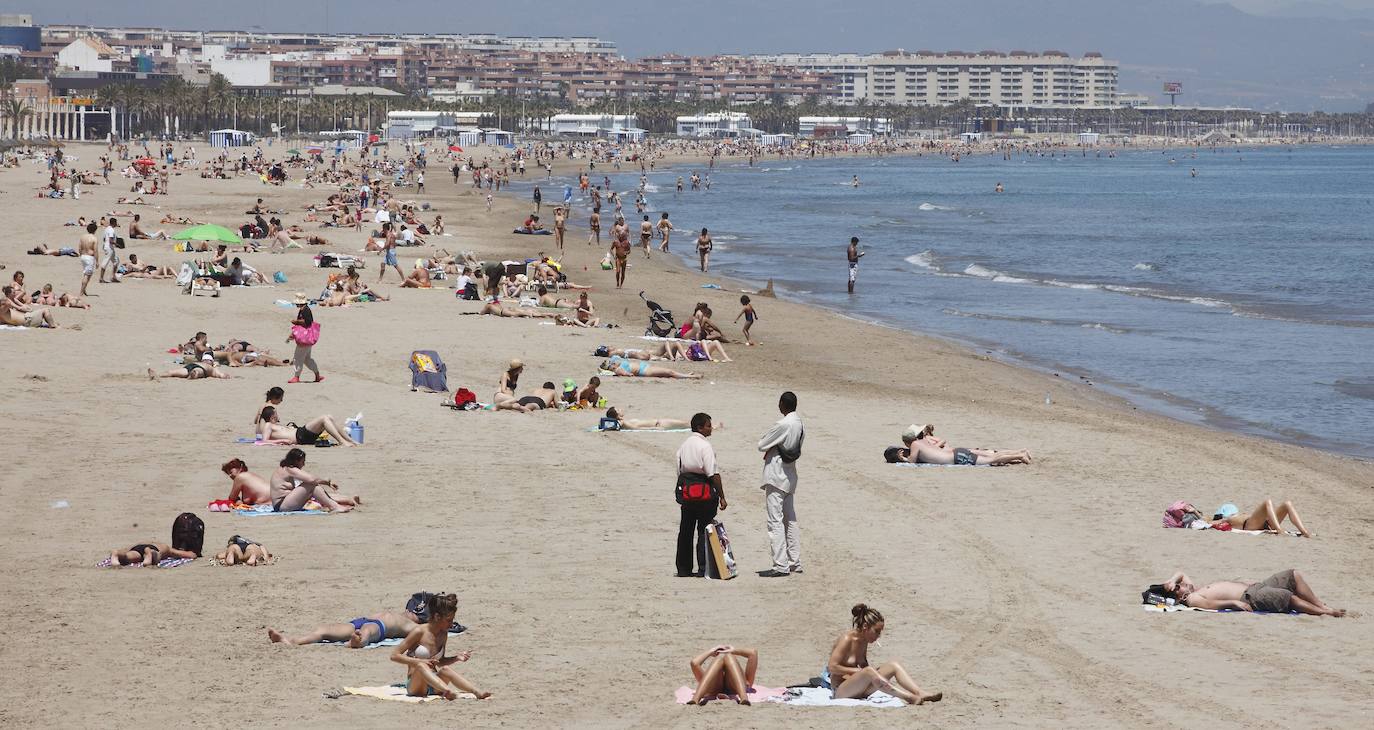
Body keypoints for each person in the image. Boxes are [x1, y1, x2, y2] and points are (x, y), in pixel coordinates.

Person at [826, 604, 942, 704]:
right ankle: (908, 697)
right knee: (869, 671)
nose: (878, 636)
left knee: (893, 665)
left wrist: (877, 677)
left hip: (858, 688)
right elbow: (832, 667)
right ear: (865, 627)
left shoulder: (863, 640)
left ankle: (919, 692)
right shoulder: (846, 639)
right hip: (841, 690)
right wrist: (858, 672)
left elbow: (863, 665)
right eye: (876, 631)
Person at [391, 593, 491, 700]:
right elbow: (394, 656)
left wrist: (456, 658)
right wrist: (419, 662)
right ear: (437, 616)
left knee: (446, 670)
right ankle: (447, 691)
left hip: (434, 683)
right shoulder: (419, 632)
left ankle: (476, 692)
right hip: (417, 685)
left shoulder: (443, 634)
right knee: (421, 666)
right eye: (448, 620)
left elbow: (441, 661)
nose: (452, 624)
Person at [1156, 570, 1345, 616]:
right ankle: (1326, 613)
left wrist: (1172, 581)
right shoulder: (1193, 598)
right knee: (1289, 598)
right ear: (1180, 596)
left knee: (1293, 575)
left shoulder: (1190, 589)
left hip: (1256, 587)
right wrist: (1233, 603)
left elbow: (1181, 573)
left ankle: (1321, 605)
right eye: (1179, 587)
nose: (1183, 584)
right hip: (1251, 597)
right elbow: (1213, 606)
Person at [675, 413, 728, 577]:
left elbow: (679, 470)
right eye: (708, 425)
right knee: (705, 529)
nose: (710, 428)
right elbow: (713, 473)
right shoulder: (705, 446)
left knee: (685, 530)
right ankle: (704, 568)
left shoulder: (684, 445)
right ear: (699, 427)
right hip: (704, 491)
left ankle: (683, 569)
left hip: (687, 491)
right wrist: (722, 496)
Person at [757, 391, 803, 578]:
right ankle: (794, 561)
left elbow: (761, 444)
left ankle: (780, 564)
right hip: (790, 475)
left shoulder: (783, 424)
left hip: (776, 475)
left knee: (775, 521)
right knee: (790, 520)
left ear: (783, 404)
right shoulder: (800, 424)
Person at [270, 605, 426, 648]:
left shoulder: (412, 625)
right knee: (325, 630)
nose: (410, 612)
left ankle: (356, 642)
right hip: (360, 621)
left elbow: (425, 632)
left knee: (366, 632)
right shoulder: (404, 615)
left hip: (379, 626)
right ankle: (291, 640)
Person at [898, 424, 1031, 466]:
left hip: (957, 457)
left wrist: (902, 458)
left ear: (907, 442)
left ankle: (1020, 455)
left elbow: (912, 461)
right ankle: (1019, 453)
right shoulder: (925, 440)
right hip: (957, 452)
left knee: (991, 460)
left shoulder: (915, 444)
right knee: (992, 455)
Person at [268, 448, 355, 512]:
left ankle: (334, 505)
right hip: (282, 506)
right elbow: (312, 479)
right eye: (302, 462)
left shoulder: (287, 469)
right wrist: (327, 482)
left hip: (286, 503)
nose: (304, 464)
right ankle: (334, 507)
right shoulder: (289, 469)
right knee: (311, 484)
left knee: (314, 486)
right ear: (296, 461)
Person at [689, 645, 759, 705]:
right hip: (719, 688)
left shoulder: (746, 681)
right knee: (720, 658)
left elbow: (753, 653)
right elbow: (694, 663)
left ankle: (696, 698)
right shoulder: (708, 678)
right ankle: (743, 696)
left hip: (727, 688)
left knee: (728, 656)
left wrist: (732, 651)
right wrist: (711, 651)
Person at [256, 406, 359, 446]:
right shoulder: (268, 425)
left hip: (301, 434)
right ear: (272, 415)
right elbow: (264, 441)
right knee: (324, 418)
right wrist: (281, 441)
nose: (278, 415)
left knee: (329, 417)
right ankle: (342, 442)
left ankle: (349, 440)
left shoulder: (276, 425)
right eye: (276, 413)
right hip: (300, 436)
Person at [1210, 500, 1312, 537]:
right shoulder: (1226, 519)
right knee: (1268, 502)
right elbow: (1209, 522)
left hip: (1265, 523)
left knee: (1287, 504)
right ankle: (1279, 530)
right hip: (1249, 525)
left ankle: (1304, 531)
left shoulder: (1239, 515)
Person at [288, 293, 322, 384]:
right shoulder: (304, 309)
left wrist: (296, 322)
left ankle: (296, 377)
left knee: (297, 358)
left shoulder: (305, 310)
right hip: (307, 338)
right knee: (307, 359)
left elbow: (307, 322)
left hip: (305, 338)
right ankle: (317, 375)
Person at [147, 352, 230, 380]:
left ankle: (192, 376)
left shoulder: (213, 368)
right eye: (205, 360)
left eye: (208, 360)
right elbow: (220, 374)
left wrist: (224, 375)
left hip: (198, 368)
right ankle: (157, 375)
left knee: (196, 372)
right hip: (193, 367)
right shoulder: (212, 367)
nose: (206, 361)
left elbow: (220, 375)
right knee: (172, 372)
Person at [601, 356, 701, 379]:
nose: (615, 361)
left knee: (667, 373)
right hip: (644, 370)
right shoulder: (618, 369)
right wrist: (629, 373)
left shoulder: (618, 365)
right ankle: (690, 377)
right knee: (669, 372)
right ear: (612, 366)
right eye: (613, 362)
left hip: (644, 367)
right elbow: (628, 374)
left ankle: (686, 375)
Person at [77, 221, 98, 296]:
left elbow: (79, 248)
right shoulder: (94, 238)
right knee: (87, 275)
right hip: (89, 257)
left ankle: (84, 289)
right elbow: (95, 251)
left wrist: (81, 255)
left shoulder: (82, 237)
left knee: (86, 273)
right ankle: (81, 292)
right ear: (95, 230)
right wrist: (97, 261)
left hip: (83, 256)